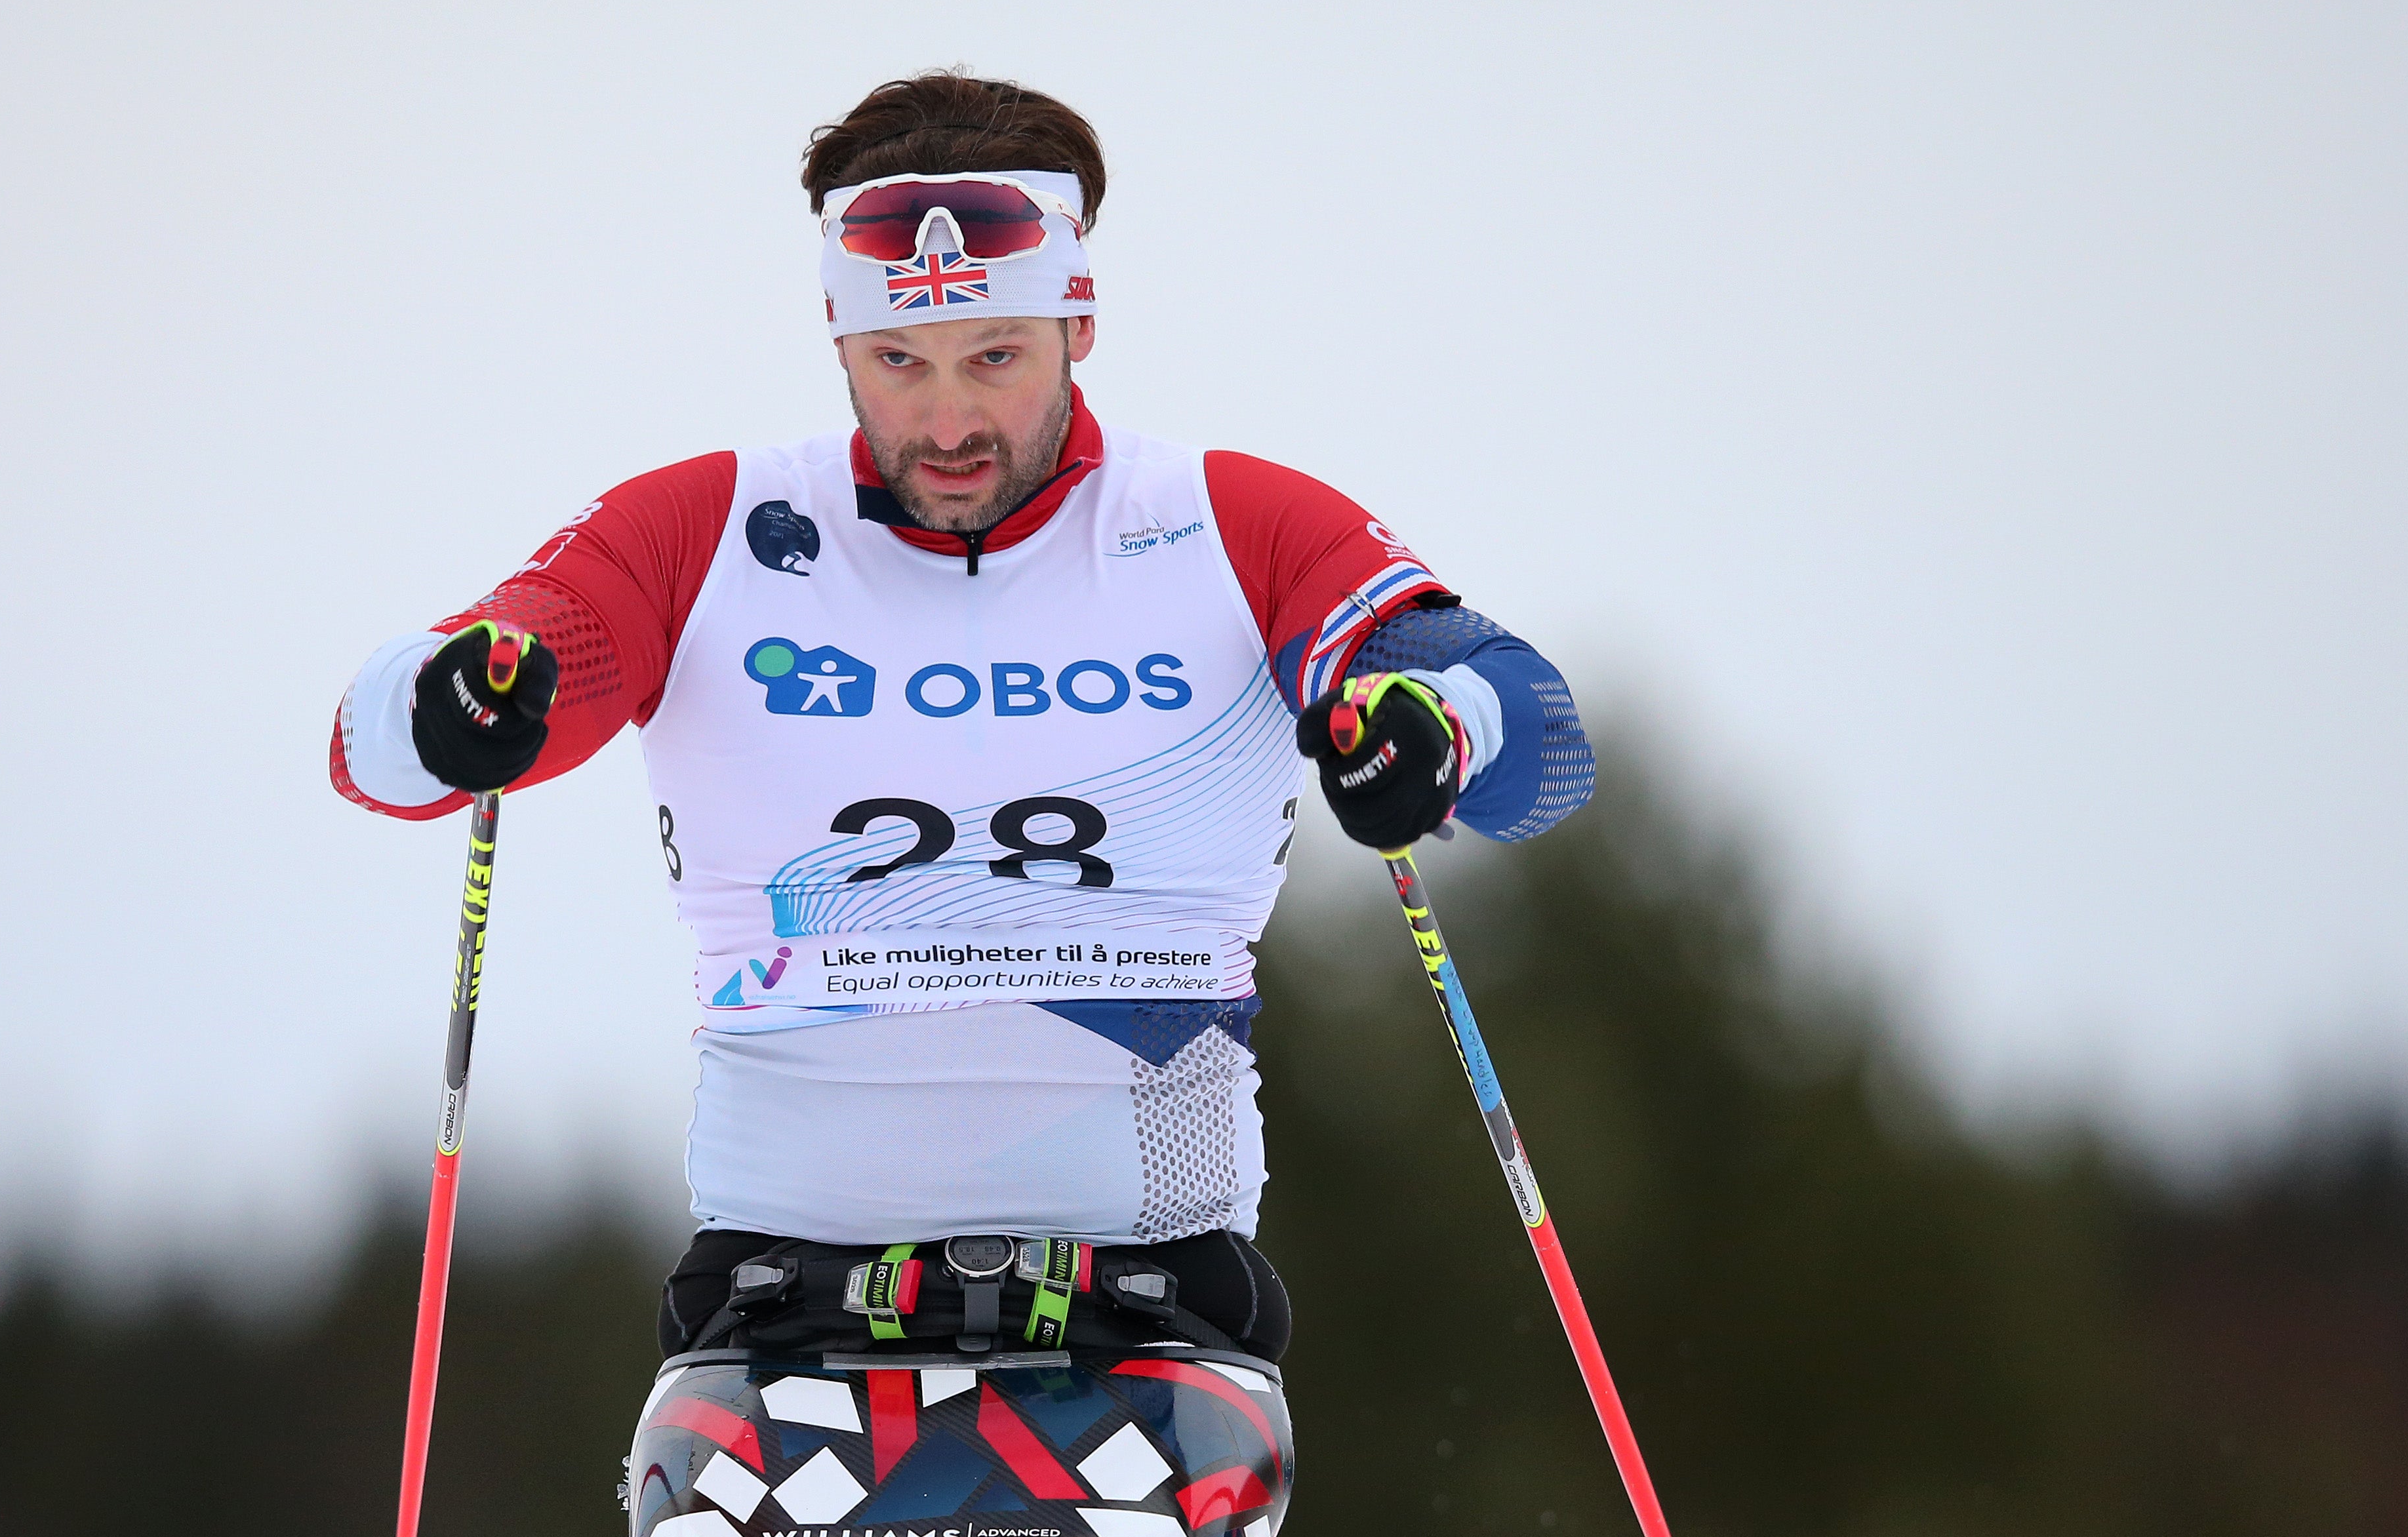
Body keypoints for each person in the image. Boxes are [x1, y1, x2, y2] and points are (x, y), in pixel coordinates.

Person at [332, 72, 1593, 1366]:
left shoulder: (1229, 525)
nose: (945, 422)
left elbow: (1535, 737)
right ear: (839, 344)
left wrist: (1435, 730)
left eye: (994, 356)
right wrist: (450, 702)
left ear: (1076, 323)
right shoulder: (707, 531)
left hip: (1149, 1303)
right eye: (898, 363)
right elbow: (403, 729)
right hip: (778, 1305)